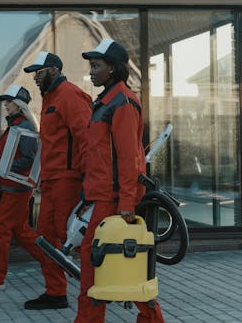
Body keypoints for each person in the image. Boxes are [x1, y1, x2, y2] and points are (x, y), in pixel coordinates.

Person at [75, 38, 165, 323]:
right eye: (91, 65)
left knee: (102, 261)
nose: (91, 71)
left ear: (113, 68)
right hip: (102, 195)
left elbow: (130, 159)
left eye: (96, 65)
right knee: (117, 263)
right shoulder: (105, 102)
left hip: (114, 200)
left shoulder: (122, 103)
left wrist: (127, 202)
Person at [22, 51, 92, 310]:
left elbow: (87, 138)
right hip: (51, 181)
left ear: (53, 69)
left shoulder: (70, 96)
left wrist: (88, 179)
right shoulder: (50, 98)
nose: (36, 79)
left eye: (38, 73)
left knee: (71, 239)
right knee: (45, 238)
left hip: (69, 179)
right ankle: (55, 292)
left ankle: (95, 292)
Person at [0, 85, 56, 293]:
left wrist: (6, 167)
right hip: (13, 186)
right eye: (5, 102)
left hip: (16, 188)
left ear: (19, 105)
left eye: (9, 102)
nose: (6, 105)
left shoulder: (24, 125)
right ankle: (53, 261)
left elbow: (28, 158)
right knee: (22, 231)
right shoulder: (16, 124)